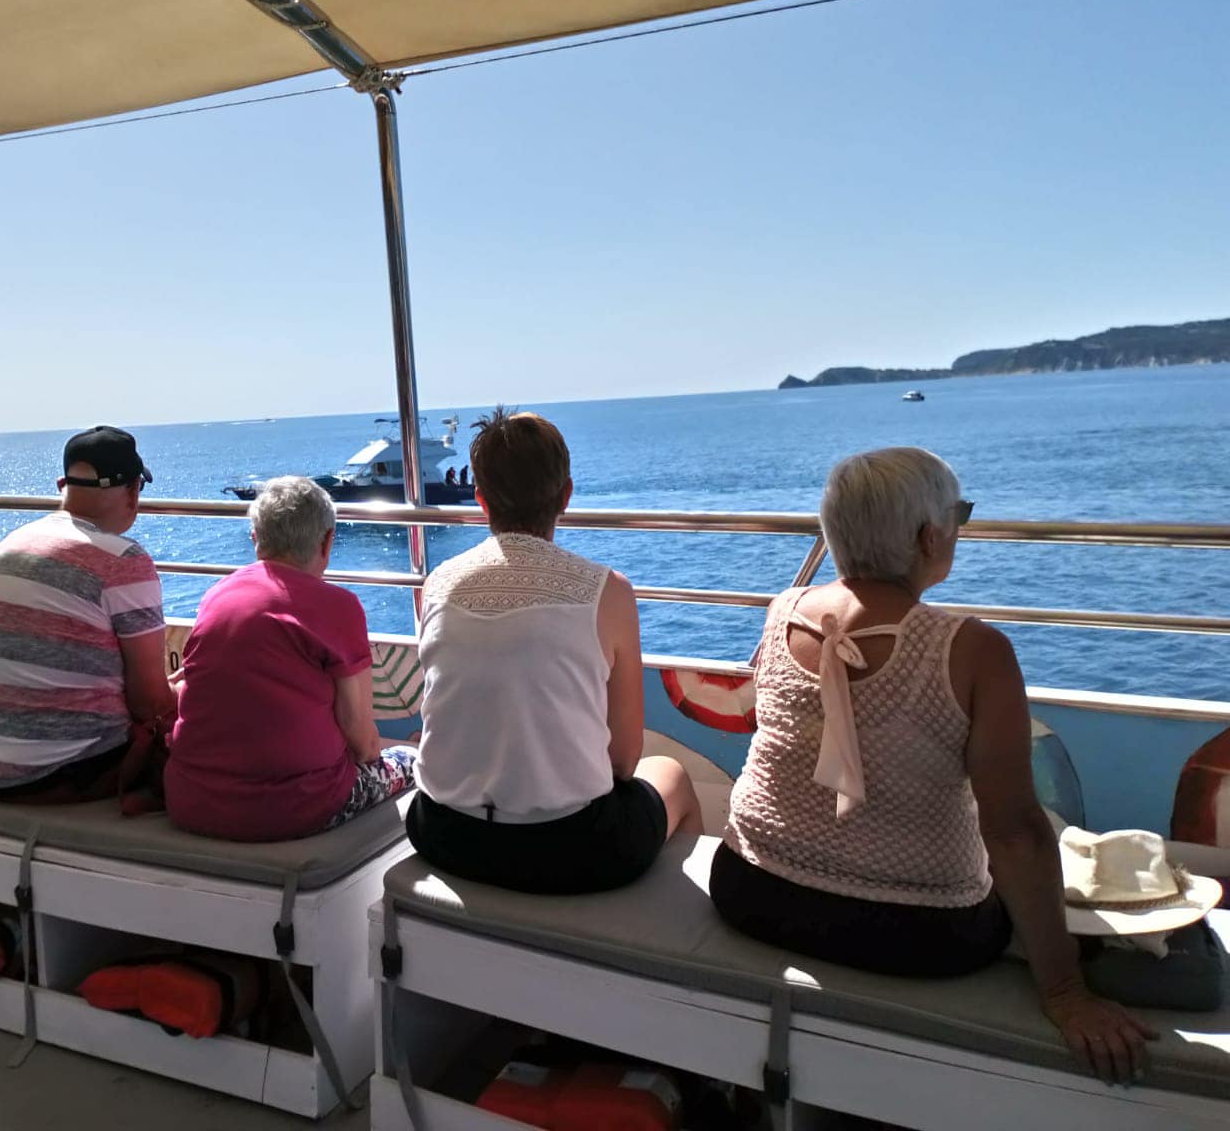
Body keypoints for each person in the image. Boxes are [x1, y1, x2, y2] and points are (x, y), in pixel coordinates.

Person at [712, 446, 1155, 1084]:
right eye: (960, 515)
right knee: (1037, 848)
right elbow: (1014, 832)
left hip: (749, 888)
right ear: (929, 538)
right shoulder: (974, 650)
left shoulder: (785, 609)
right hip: (920, 934)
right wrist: (1066, 994)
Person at [406, 408, 701, 894]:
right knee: (671, 775)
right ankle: (659, 928)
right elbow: (624, 761)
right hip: (571, 850)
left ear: (481, 499)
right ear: (566, 495)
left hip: (443, 832)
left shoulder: (436, 585)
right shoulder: (609, 592)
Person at [167, 476, 417, 841]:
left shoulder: (216, 596)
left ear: (256, 538)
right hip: (298, 808)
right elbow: (362, 741)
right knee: (411, 759)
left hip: (192, 800)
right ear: (327, 541)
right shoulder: (339, 607)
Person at [0, 427, 172, 802]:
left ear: (61, 486)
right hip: (55, 774)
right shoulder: (122, 559)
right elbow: (149, 704)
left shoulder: (12, 543)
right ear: (133, 491)